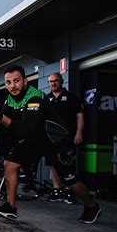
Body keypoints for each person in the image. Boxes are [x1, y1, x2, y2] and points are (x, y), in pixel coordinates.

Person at [0, 65, 101, 223]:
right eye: (8, 82)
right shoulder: (10, 99)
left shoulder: (35, 97)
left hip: (54, 142)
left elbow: (25, 128)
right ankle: (10, 207)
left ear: (25, 81)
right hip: (34, 141)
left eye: (16, 81)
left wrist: (0, 118)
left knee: (69, 179)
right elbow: (3, 123)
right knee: (10, 164)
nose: (12, 86)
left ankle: (91, 206)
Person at [46, 73, 84, 204]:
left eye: (56, 81)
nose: (53, 84)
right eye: (51, 82)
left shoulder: (72, 98)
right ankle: (57, 191)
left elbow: (80, 116)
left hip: (68, 137)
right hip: (51, 138)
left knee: (68, 164)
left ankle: (69, 191)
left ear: (61, 81)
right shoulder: (46, 98)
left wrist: (79, 133)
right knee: (52, 163)